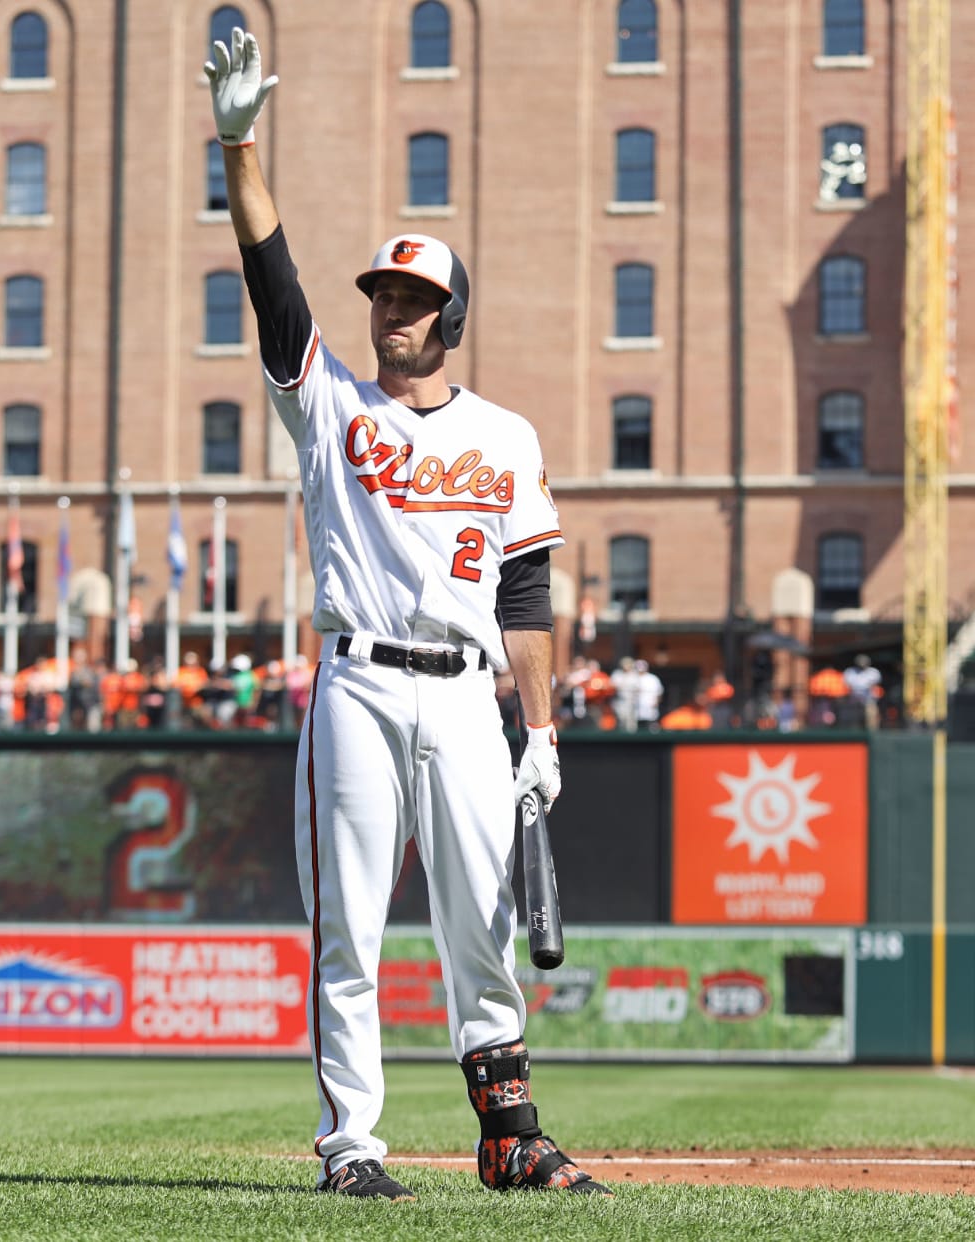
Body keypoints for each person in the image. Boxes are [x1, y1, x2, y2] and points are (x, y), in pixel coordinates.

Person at [206, 28, 599, 1199]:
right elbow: (272, 278)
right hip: (362, 683)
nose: (395, 310)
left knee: (483, 919)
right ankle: (353, 1149)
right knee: (353, 930)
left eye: (418, 298)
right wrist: (238, 146)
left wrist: (542, 730)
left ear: (451, 316)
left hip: (470, 695)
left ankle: (511, 1136)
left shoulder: (508, 436)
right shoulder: (328, 408)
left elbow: (527, 593)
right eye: (385, 292)